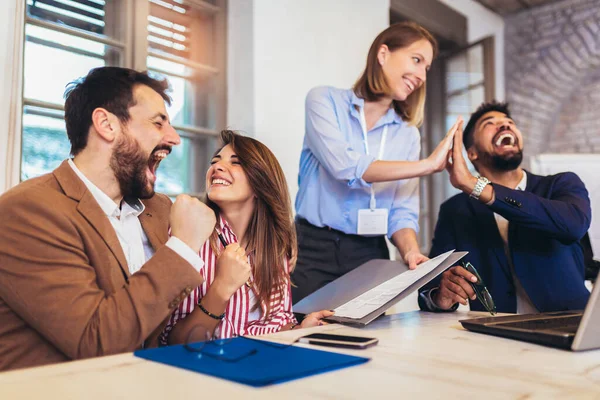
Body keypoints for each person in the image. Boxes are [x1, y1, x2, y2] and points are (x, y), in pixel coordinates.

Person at [0, 67, 217, 371]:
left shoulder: (158, 209)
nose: (174, 138)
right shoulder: (27, 211)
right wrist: (182, 246)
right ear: (106, 124)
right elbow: (97, 342)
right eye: (159, 123)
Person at [291, 22, 461, 303]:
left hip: (369, 253)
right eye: (416, 60)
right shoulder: (323, 101)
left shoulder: (407, 134)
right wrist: (428, 165)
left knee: (365, 343)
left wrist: (410, 251)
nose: (421, 75)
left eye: (426, 68)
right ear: (383, 54)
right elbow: (344, 166)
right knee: (305, 335)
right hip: (311, 248)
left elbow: (401, 212)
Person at [160, 130, 332, 345]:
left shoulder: (276, 247)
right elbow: (175, 343)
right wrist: (222, 287)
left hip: (259, 363)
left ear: (261, 184)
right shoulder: (191, 236)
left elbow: (275, 323)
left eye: (236, 162)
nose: (217, 167)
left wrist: (298, 329)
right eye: (215, 161)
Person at [419, 101, 591, 314]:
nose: (505, 126)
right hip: (495, 336)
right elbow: (429, 290)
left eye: (509, 122)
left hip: (569, 327)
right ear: (472, 153)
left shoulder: (561, 184)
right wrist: (441, 295)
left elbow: (573, 225)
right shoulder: (455, 209)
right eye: (489, 124)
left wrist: (474, 184)